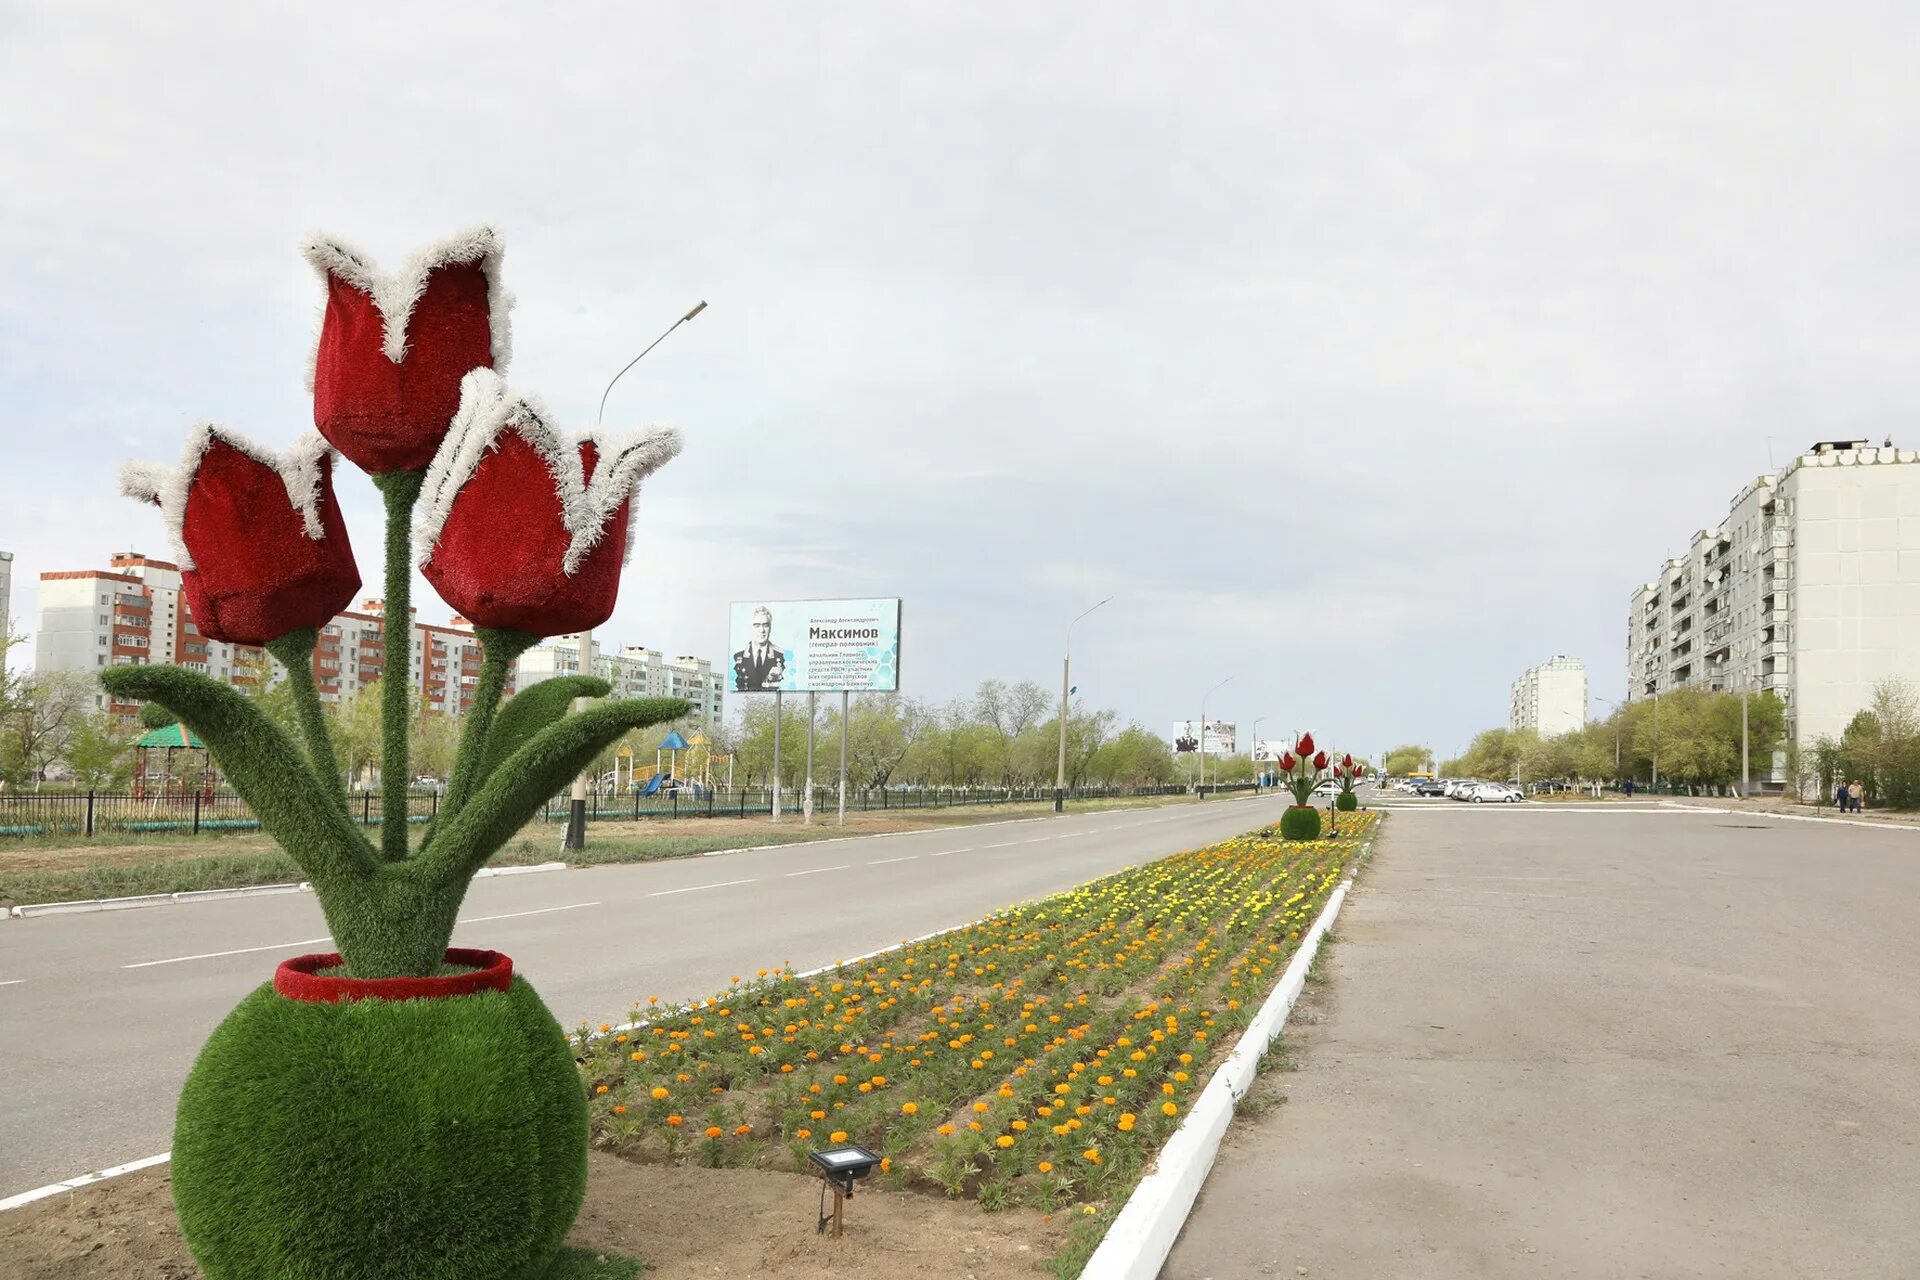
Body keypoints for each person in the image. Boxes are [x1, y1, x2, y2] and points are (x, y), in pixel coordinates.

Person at [731, 606, 786, 692]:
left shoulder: (782, 656)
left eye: (765, 625)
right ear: (750, 628)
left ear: (770, 627)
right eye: (757, 625)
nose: (762, 630)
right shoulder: (737, 656)